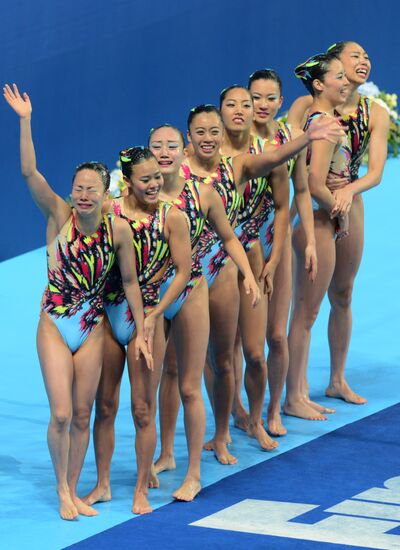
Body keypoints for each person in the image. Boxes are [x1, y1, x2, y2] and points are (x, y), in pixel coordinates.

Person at [3, 83, 150, 520]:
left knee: (85, 414)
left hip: (92, 328)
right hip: (54, 323)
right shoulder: (59, 215)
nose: (84, 195)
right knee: (63, 414)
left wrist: (142, 330)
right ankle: (60, 488)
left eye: (92, 189)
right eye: (78, 187)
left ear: (106, 195)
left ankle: (72, 490)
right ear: (71, 191)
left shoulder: (117, 230)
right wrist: (26, 122)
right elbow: (30, 174)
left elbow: (129, 281)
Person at [183, 103, 344, 461]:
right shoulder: (176, 172)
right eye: (201, 132)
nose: (208, 138)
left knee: (255, 354)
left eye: (213, 132)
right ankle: (221, 431)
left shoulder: (237, 166)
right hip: (200, 270)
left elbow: (272, 159)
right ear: (189, 137)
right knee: (218, 358)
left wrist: (307, 137)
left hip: (245, 260)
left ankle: (257, 420)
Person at [149, 123, 260, 491]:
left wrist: (248, 275)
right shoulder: (136, 196)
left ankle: (195, 473)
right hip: (155, 293)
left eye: (171, 146)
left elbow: (229, 237)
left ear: (185, 152)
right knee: (167, 372)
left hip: (193, 286)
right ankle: (166, 453)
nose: (164, 152)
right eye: (156, 146)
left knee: (191, 384)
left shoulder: (204, 194)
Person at [84, 147, 191, 514]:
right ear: (126, 182)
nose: (154, 184)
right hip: (110, 313)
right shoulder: (107, 211)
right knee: (106, 405)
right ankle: (102, 484)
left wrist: (156, 313)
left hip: (147, 318)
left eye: (157, 177)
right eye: (145, 179)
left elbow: (183, 272)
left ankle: (141, 488)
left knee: (143, 408)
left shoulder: (172, 217)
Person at [286, 42, 389, 415]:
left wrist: (347, 191)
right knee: (306, 305)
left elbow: (375, 172)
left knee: (343, 294)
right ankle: (294, 391)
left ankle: (336, 379)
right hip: (315, 207)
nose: (362, 62)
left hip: (349, 201)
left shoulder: (373, 112)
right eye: (353, 57)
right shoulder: (308, 111)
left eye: (366, 56)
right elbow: (294, 161)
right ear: (331, 69)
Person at [246, 70, 318, 434]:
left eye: (269, 98)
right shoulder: (234, 139)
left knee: (276, 335)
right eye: (255, 97)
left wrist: (307, 240)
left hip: (278, 240)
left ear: (280, 101)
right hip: (242, 247)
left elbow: (302, 191)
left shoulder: (291, 137)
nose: (262, 105)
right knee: (240, 344)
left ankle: (274, 409)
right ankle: (239, 416)